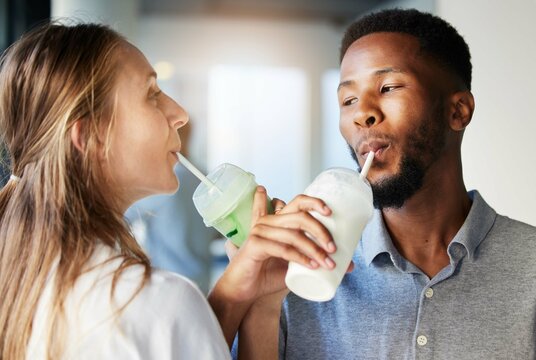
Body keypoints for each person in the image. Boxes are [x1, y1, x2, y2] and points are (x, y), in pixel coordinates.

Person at [0, 22, 338, 359]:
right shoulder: (158, 305)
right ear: (89, 136)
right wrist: (254, 307)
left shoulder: (21, 286)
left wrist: (245, 298)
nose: (179, 113)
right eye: (152, 94)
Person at [233, 8, 536, 359]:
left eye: (388, 87)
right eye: (348, 100)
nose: (362, 114)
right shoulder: (297, 274)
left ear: (458, 111)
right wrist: (261, 307)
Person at [126, 122, 218, 294]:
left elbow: (118, 218)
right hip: (203, 284)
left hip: (167, 287)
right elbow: (216, 232)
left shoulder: (165, 183)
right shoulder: (205, 177)